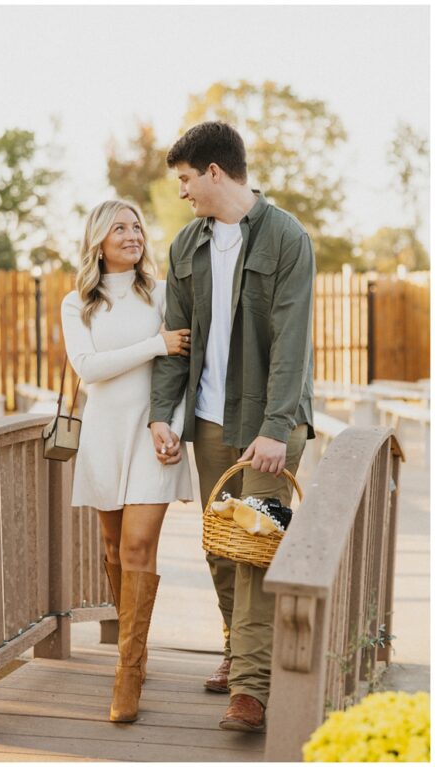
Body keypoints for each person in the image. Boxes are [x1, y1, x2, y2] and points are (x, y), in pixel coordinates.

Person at [149, 121, 315, 733]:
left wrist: (275, 426)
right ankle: (234, 646)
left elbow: (293, 342)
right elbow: (178, 343)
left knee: (258, 551)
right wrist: (163, 418)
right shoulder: (184, 246)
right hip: (211, 422)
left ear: (215, 172)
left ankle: (251, 688)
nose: (184, 193)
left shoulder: (286, 236)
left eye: (188, 180)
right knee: (223, 547)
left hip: (271, 426)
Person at [61, 199, 193, 723]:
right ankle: (130, 648)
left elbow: (183, 367)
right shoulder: (80, 304)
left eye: (137, 225)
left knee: (139, 544)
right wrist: (154, 344)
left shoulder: (161, 295)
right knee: (113, 545)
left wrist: (175, 427)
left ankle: (129, 670)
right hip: (103, 436)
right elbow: (89, 370)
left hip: (153, 434)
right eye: (119, 227)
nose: (132, 234)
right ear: (98, 240)